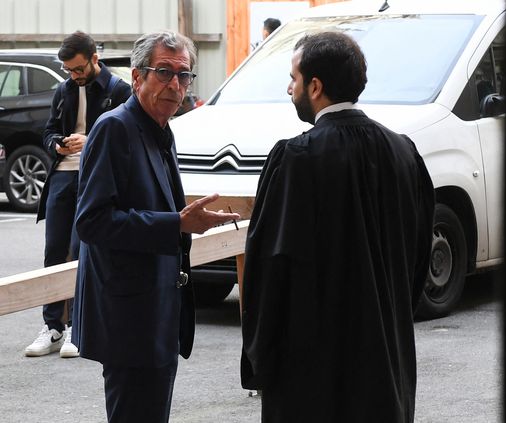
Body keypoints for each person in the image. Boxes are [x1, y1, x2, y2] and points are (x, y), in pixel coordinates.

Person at [240, 32, 435, 422]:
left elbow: (270, 266)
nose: (290, 87)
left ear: (315, 86)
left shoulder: (296, 157)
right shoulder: (403, 152)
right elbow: (418, 255)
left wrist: (261, 355)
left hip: (313, 365)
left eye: (294, 78)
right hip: (385, 355)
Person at [71, 31, 239, 422]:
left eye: (184, 76)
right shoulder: (115, 128)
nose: (175, 85)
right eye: (163, 72)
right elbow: (91, 221)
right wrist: (176, 223)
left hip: (158, 311)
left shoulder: (161, 129)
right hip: (129, 318)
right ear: (136, 77)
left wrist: (182, 223)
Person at [26, 30, 131, 359]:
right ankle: (53, 326)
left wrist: (91, 141)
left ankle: (78, 327)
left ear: (94, 59)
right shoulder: (64, 90)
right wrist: (57, 143)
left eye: (78, 69)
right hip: (62, 175)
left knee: (82, 250)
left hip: (96, 178)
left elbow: (126, 136)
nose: (74, 75)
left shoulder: (119, 91)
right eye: (69, 70)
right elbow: (48, 131)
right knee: (54, 250)